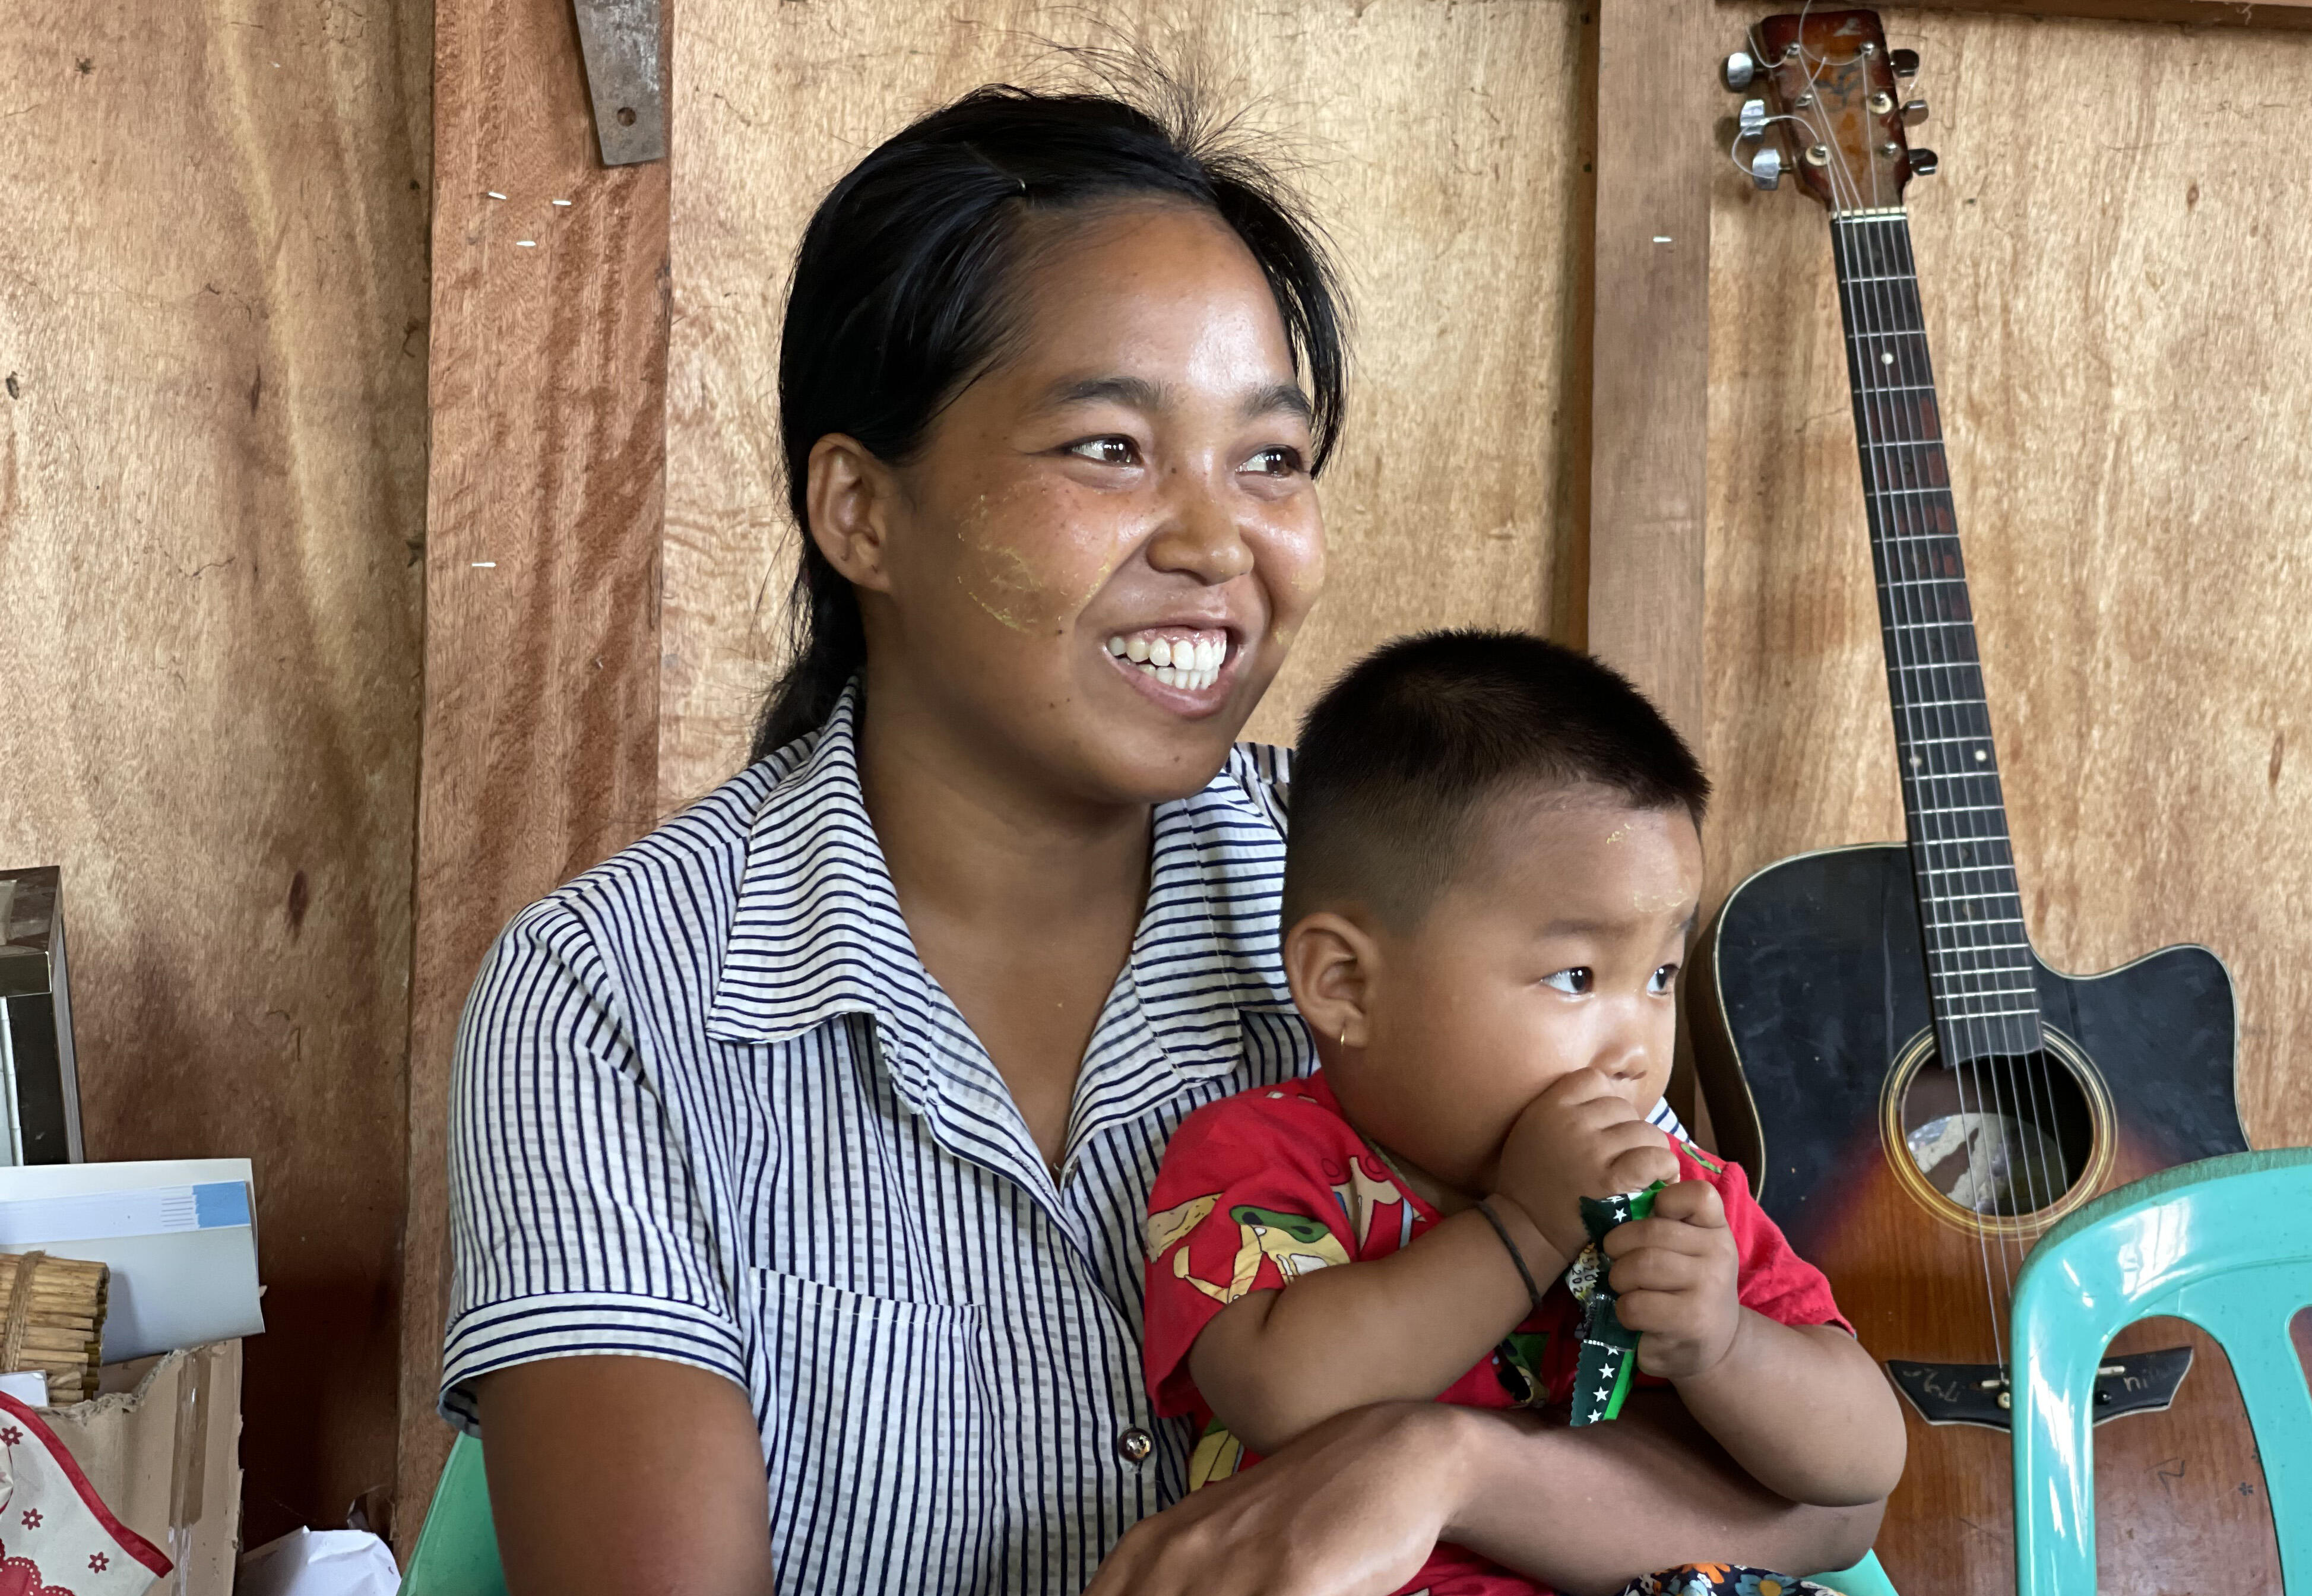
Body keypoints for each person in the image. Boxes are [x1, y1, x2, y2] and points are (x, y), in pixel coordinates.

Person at [441, 75, 1889, 1596]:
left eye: (1271, 460)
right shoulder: (615, 998)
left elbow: (1814, 1499)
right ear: (861, 512)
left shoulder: (1430, 891)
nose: (1220, 544)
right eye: (1112, 448)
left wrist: (1439, 1462)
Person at [1137, 632, 1908, 1596]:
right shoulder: (1262, 1158)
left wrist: (1726, 1345)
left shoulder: (1682, 1200)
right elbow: (1280, 1396)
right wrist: (1524, 1228)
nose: (1634, 1047)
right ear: (1345, 985)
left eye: (1660, 976)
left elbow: (1862, 1469)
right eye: (1577, 976)